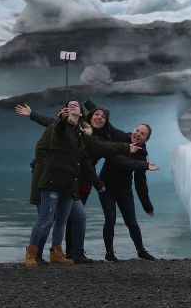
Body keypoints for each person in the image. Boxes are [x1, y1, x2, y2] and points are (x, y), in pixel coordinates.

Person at [24, 100, 139, 267]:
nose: (72, 106)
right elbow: (48, 140)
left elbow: (92, 156)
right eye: (69, 105)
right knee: (47, 219)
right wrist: (60, 120)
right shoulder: (59, 127)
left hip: (70, 182)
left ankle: (58, 253)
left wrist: (126, 148)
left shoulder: (81, 135)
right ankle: (33, 254)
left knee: (65, 219)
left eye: (76, 105)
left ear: (81, 112)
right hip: (52, 179)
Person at [95, 119, 158, 262]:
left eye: (142, 134)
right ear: (133, 130)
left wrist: (147, 205)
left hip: (124, 189)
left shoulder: (142, 155)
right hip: (106, 187)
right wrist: (90, 106)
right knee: (110, 219)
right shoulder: (120, 138)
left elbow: (140, 183)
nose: (138, 134)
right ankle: (109, 253)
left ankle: (141, 250)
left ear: (146, 139)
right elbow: (107, 125)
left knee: (131, 221)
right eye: (137, 130)